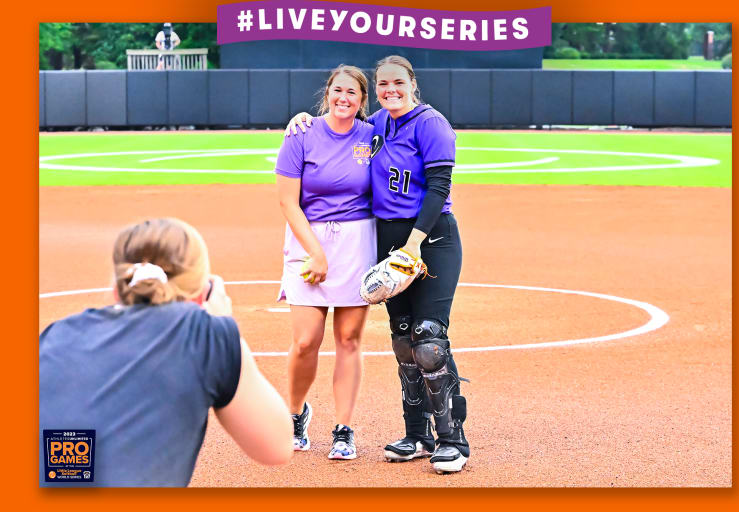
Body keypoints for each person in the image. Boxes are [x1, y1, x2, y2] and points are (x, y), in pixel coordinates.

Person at [286, 55, 470, 474]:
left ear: (412, 84)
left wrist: (413, 245)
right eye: (383, 83)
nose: (390, 89)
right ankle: (418, 435)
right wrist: (302, 119)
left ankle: (452, 440)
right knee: (404, 338)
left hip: (429, 239)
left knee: (428, 338)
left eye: (398, 82)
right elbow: (337, 126)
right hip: (388, 240)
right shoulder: (378, 124)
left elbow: (439, 186)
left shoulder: (432, 124)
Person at [39, 218, 293, 486]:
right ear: (201, 294)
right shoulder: (204, 335)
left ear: (117, 290)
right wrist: (222, 325)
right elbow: (276, 447)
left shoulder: (56, 334)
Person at [275, 65, 376, 460]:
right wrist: (315, 252)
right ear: (328, 93)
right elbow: (287, 201)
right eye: (338, 90)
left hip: (356, 243)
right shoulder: (301, 133)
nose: (343, 98)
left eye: (352, 92)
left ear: (362, 99)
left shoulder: (373, 135)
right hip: (308, 240)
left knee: (349, 339)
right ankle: (296, 414)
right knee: (305, 341)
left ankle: (343, 429)